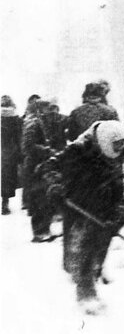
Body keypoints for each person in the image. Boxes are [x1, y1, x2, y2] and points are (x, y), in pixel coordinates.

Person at [41, 120, 124, 312]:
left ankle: (93, 272)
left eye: (121, 145)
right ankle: (86, 291)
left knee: (103, 240)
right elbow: (50, 165)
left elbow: (119, 180)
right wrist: (55, 183)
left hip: (105, 202)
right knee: (85, 244)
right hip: (79, 203)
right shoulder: (77, 150)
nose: (119, 149)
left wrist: (118, 211)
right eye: (116, 145)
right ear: (105, 141)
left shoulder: (118, 150)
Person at [21, 99, 59, 240]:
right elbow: (28, 146)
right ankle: (40, 232)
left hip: (38, 164)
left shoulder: (36, 121)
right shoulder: (33, 122)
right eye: (47, 108)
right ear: (39, 109)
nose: (49, 111)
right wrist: (47, 150)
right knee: (39, 199)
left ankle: (44, 230)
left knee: (43, 198)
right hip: (35, 166)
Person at [1, 95, 23, 215]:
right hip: (9, 153)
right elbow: (19, 138)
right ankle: (4, 204)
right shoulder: (15, 119)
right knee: (6, 179)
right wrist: (20, 154)